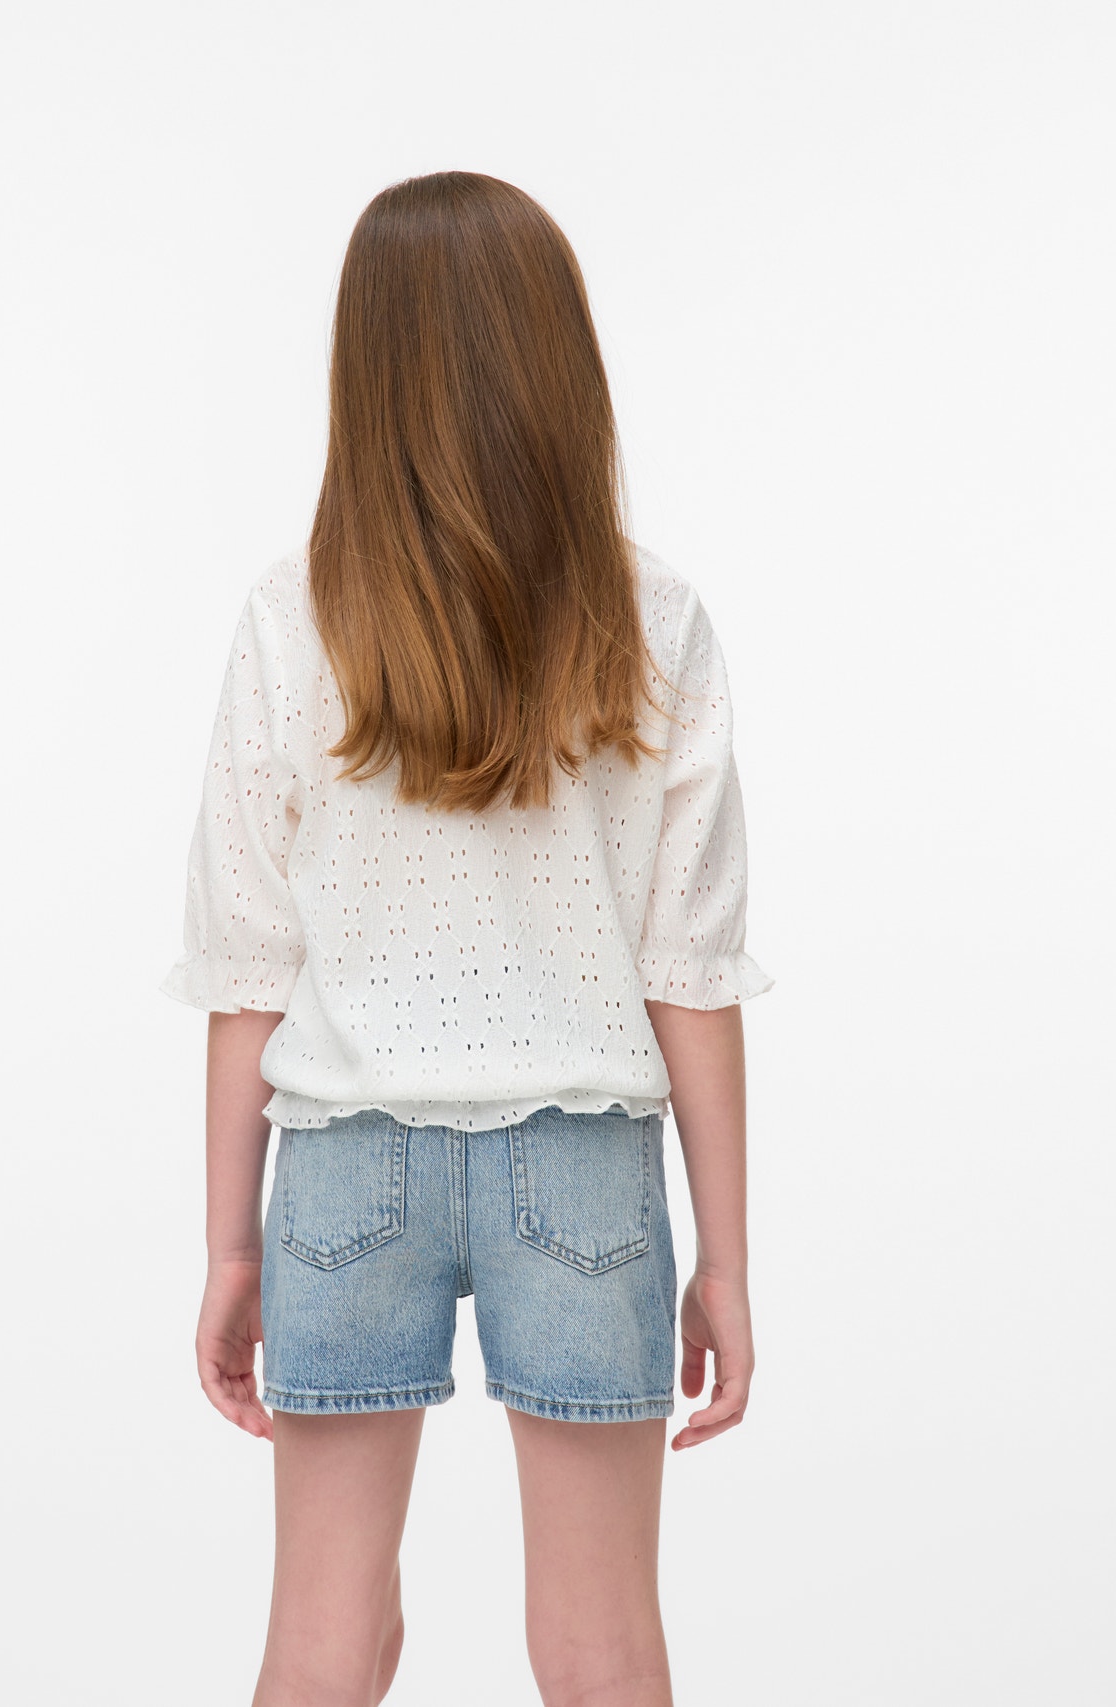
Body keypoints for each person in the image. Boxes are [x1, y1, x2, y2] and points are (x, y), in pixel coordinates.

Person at [161, 169, 775, 1707]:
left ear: (362, 373)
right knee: (602, 1649)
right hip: (586, 1167)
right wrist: (726, 1259)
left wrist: (231, 1247)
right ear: (560, 360)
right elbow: (691, 975)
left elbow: (248, 969)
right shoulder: (652, 622)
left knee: (326, 1640)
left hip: (342, 1160)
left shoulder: (293, 619)